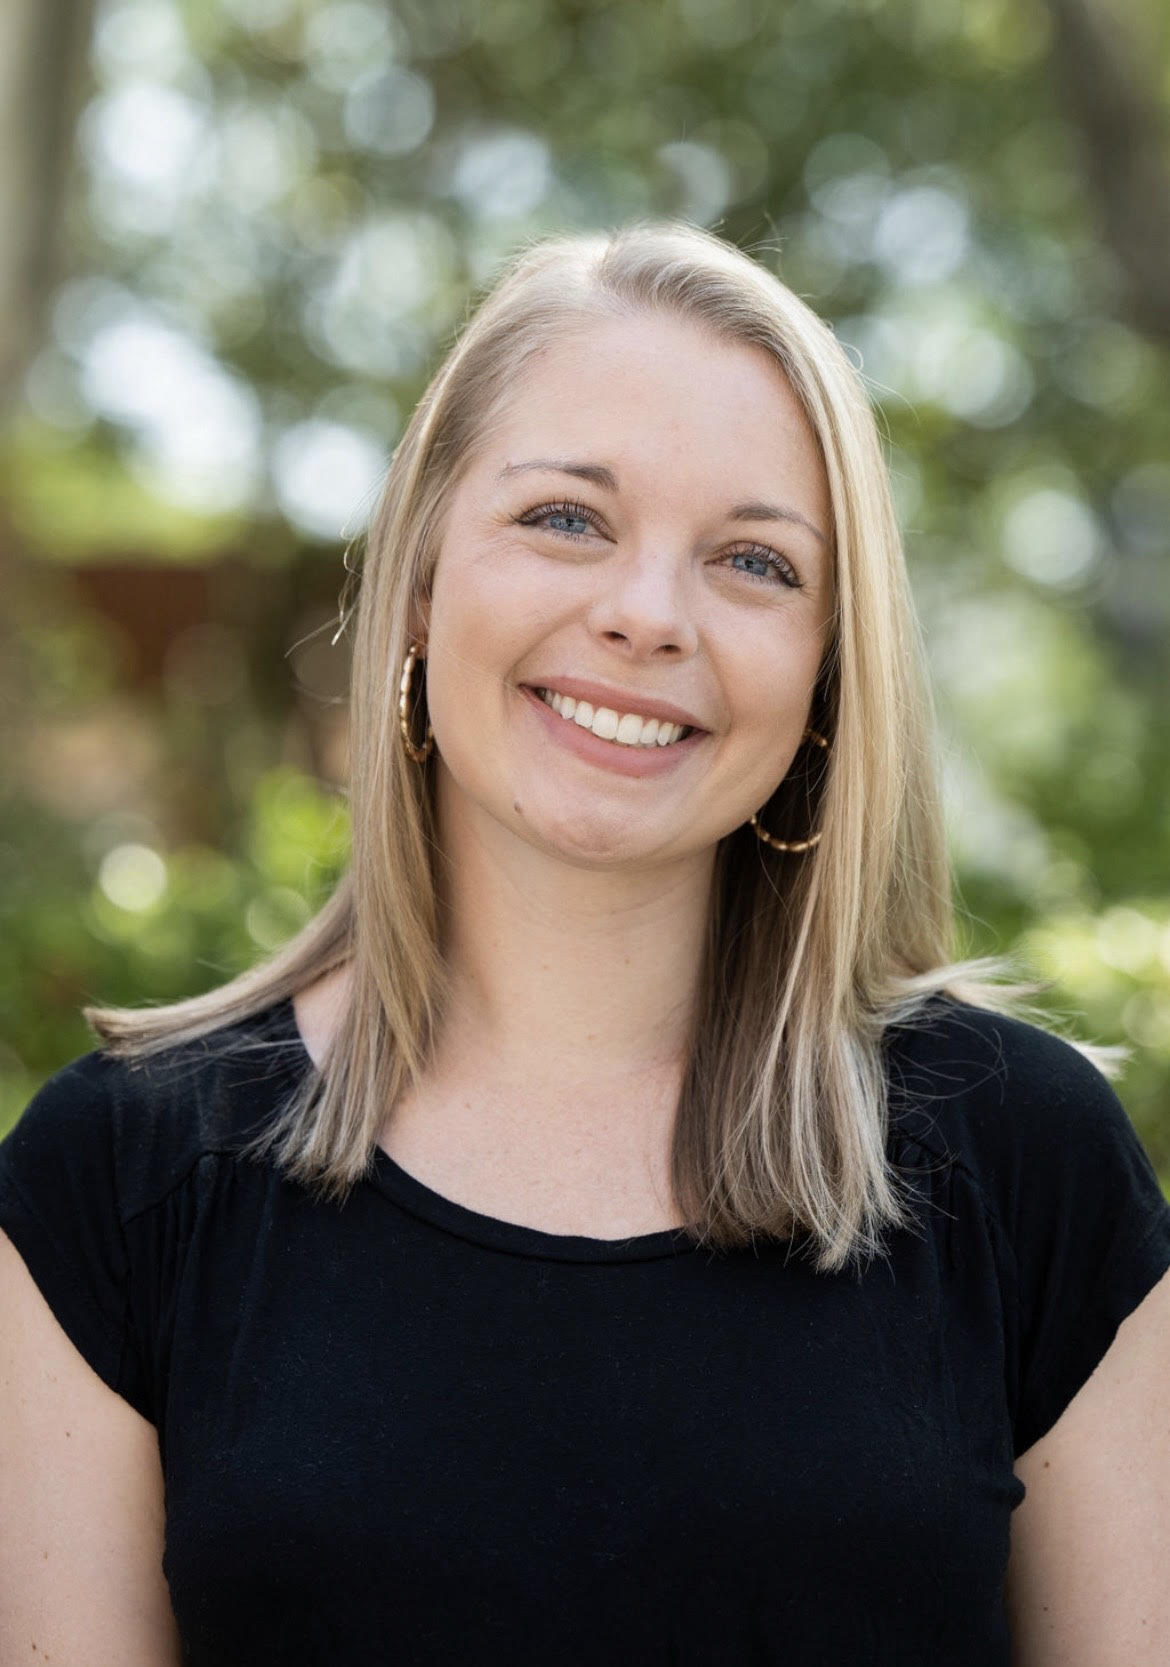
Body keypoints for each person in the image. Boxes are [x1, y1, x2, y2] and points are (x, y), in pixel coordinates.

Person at [1, 221, 1167, 1666]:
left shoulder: (1019, 1156)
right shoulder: (110, 1186)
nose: (643, 616)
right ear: (421, 575)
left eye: (752, 561)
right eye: (566, 518)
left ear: (823, 677)